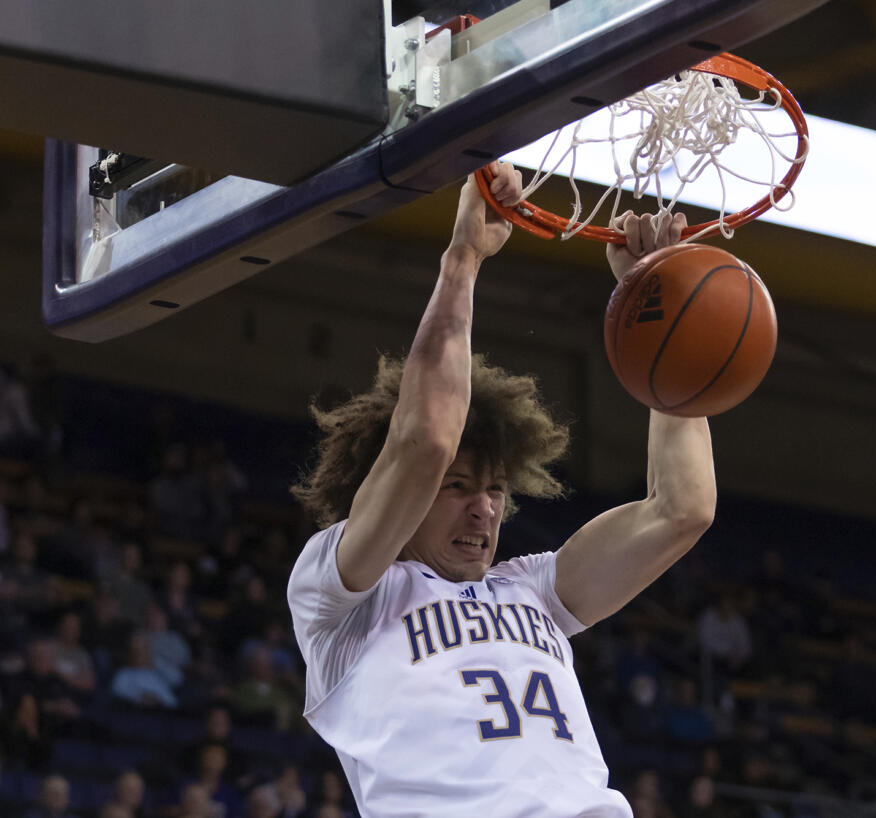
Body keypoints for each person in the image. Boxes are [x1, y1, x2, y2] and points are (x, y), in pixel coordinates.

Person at [288, 163, 716, 816]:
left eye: (493, 489)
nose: (484, 506)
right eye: (457, 487)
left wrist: (651, 309)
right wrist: (462, 259)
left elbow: (682, 510)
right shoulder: (337, 597)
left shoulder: (533, 591)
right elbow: (426, 439)